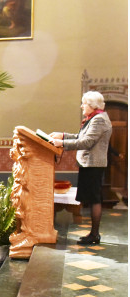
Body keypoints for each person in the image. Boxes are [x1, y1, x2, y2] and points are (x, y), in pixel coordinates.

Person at [51, 91, 112, 245]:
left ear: (92, 105)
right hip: (89, 164)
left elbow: (86, 143)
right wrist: (63, 136)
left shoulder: (99, 120)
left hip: (93, 165)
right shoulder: (94, 118)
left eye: (83, 103)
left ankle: (94, 234)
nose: (81, 106)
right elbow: (81, 137)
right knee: (92, 199)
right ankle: (93, 233)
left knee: (94, 199)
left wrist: (62, 144)